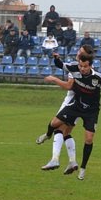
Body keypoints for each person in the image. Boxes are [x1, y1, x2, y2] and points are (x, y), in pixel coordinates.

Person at [42, 52, 101, 180]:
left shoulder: (98, 77)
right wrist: (56, 58)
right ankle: (48, 135)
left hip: (91, 111)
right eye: (81, 66)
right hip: (76, 106)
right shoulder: (75, 69)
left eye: (85, 66)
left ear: (90, 66)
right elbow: (61, 65)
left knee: (89, 139)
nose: (82, 69)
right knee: (54, 123)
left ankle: (82, 168)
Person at [36, 45, 95, 174]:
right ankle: (72, 162)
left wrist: (54, 79)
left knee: (58, 128)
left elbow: (69, 86)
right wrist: (58, 60)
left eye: (80, 51)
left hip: (72, 102)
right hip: (82, 104)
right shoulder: (86, 67)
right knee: (67, 132)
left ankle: (54, 159)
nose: (78, 52)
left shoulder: (79, 66)